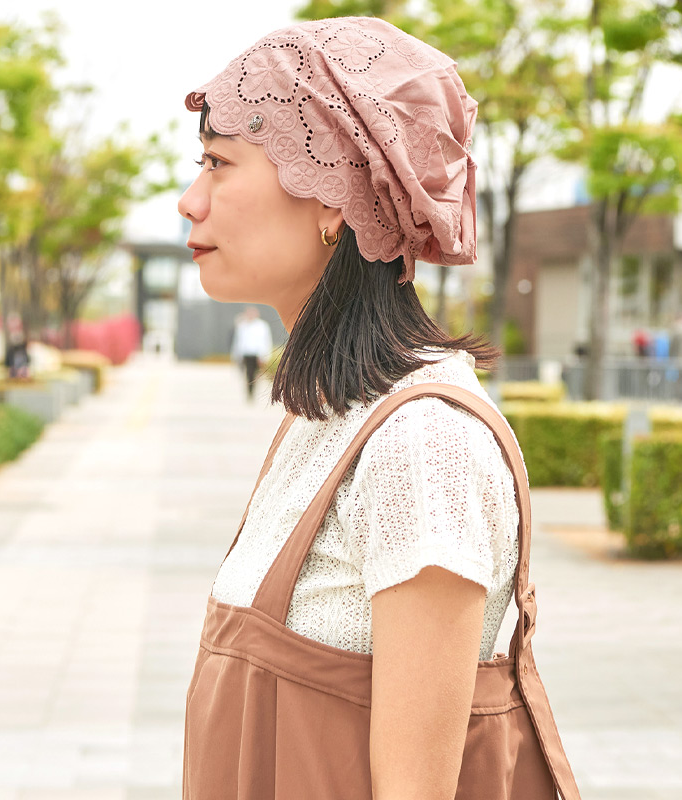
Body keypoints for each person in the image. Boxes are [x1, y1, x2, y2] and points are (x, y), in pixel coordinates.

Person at [178, 16, 575, 800]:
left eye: (219, 164)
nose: (191, 202)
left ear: (334, 196)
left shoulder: (424, 443)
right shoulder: (327, 413)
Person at [230, 306, 273, 401]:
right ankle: (250, 393)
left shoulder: (262, 326)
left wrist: (265, 355)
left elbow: (266, 341)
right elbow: (238, 341)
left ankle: (253, 390)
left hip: (257, 354)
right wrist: (236, 355)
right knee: (249, 373)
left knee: (255, 374)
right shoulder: (242, 326)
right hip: (246, 354)